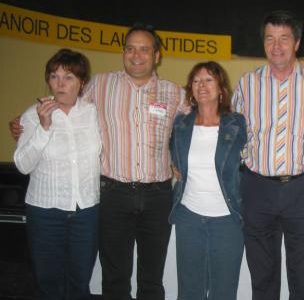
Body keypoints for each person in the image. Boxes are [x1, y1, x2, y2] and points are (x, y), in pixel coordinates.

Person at [9, 24, 188, 300]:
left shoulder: (175, 93)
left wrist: (181, 160)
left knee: (152, 278)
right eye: (130, 48)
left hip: (158, 195)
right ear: (123, 52)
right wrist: (24, 124)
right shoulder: (100, 85)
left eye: (144, 49)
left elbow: (200, 122)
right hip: (113, 195)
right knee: (115, 278)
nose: (136, 55)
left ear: (157, 55)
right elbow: (65, 100)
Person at [232, 10, 304, 300]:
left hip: (302, 189)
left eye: (284, 39)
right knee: (262, 275)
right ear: (263, 43)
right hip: (256, 188)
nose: (277, 46)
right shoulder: (246, 84)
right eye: (270, 39)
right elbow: (235, 135)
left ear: (297, 43)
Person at [14, 48, 100, 300]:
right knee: (48, 284)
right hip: (45, 212)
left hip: (86, 211)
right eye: (54, 76)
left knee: (80, 282)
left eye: (69, 77)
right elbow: (22, 165)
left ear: (82, 83)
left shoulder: (93, 113)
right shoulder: (33, 114)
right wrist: (44, 128)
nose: (60, 83)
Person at [169, 61, 247, 300]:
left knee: (223, 291)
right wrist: (172, 165)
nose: (202, 85)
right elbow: (171, 156)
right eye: (196, 81)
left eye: (209, 80)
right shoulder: (181, 123)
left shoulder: (237, 123)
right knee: (190, 290)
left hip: (227, 220)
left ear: (221, 88)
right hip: (189, 217)